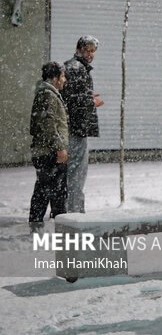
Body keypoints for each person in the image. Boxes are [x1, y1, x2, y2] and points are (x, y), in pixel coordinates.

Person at [61, 35, 103, 213]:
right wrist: (89, 102)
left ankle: (65, 211)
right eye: (87, 50)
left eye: (93, 51)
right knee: (76, 174)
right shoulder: (76, 68)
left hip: (74, 128)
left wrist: (87, 100)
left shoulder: (76, 68)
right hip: (75, 130)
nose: (90, 54)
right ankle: (75, 213)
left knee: (70, 173)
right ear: (78, 50)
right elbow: (69, 99)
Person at [29, 62, 69, 227]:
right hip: (49, 152)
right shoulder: (47, 95)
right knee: (47, 191)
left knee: (54, 191)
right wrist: (59, 147)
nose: (64, 80)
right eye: (62, 76)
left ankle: (57, 224)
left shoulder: (49, 94)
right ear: (54, 78)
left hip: (48, 151)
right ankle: (38, 226)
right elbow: (48, 124)